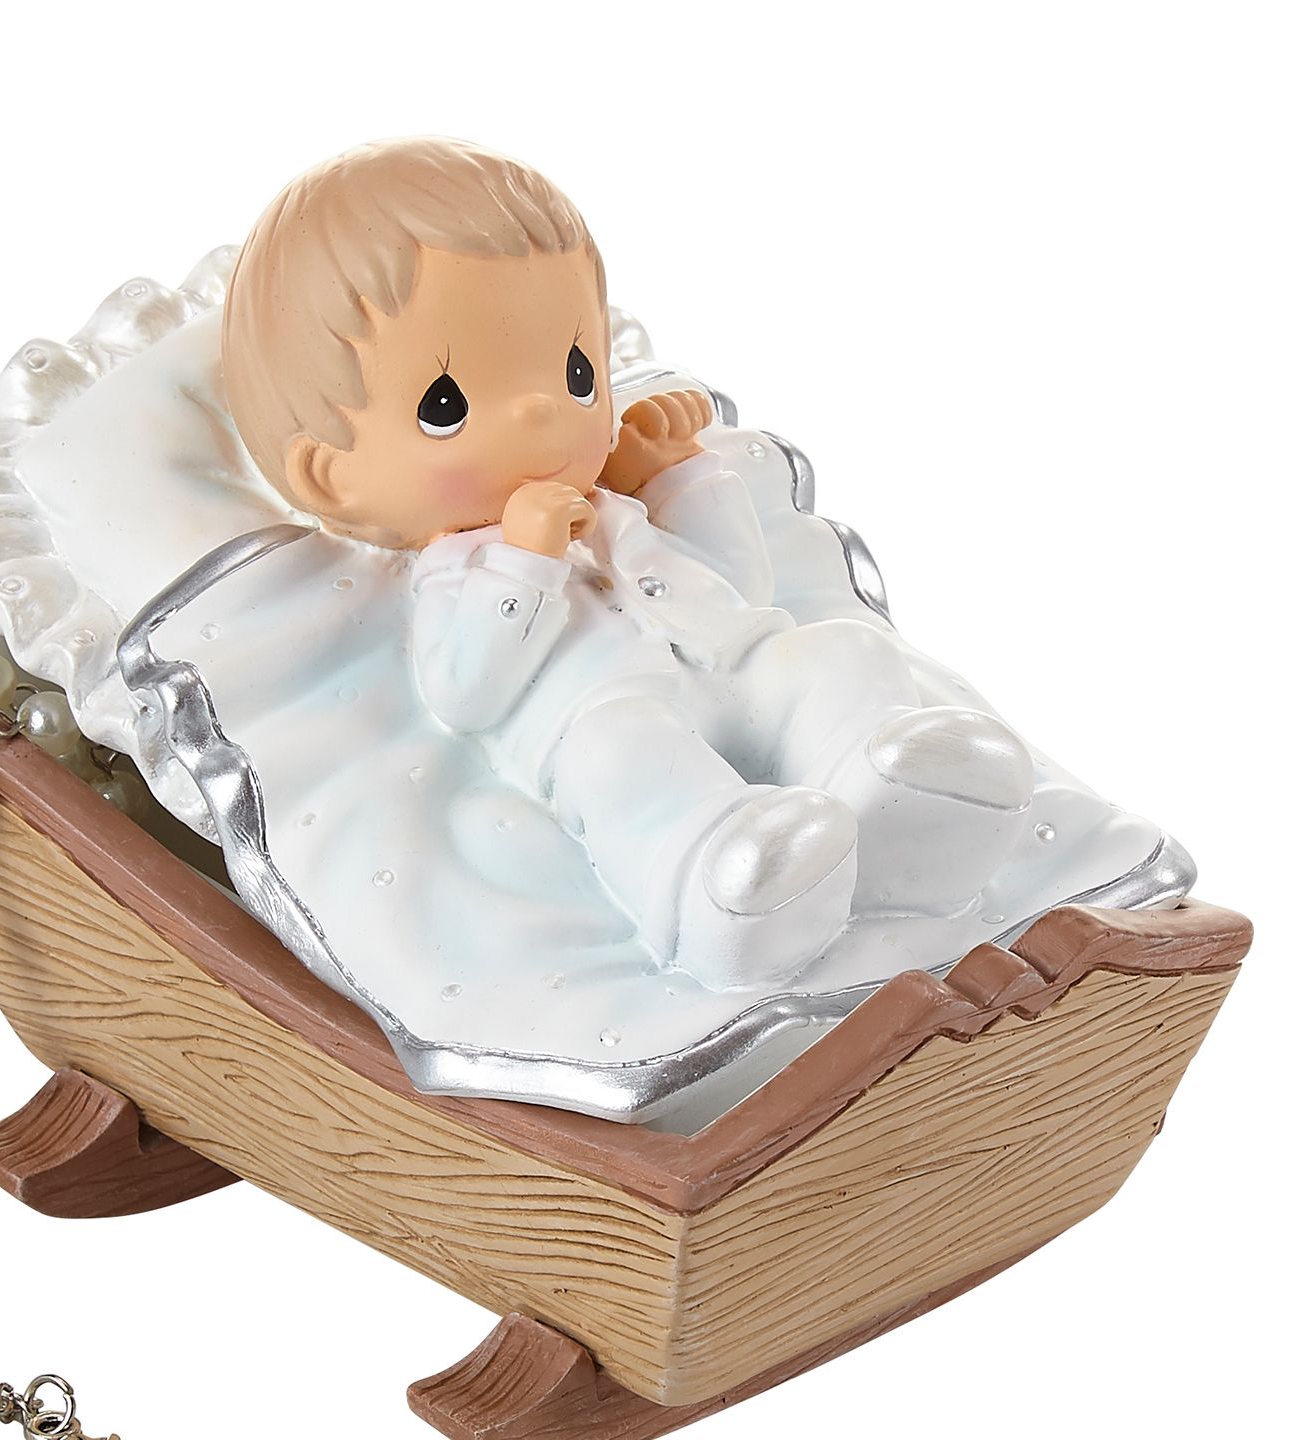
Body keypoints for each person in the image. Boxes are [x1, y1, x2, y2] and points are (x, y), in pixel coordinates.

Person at [220, 138, 1033, 989]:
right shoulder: (458, 573)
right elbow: (463, 693)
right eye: (445, 404)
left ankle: (906, 805)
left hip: (731, 667)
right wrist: (524, 560)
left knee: (838, 654)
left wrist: (675, 478)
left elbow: (738, 586)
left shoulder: (613, 508)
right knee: (621, 764)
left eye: (577, 373)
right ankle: (723, 891)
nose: (545, 410)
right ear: (332, 477)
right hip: (607, 709)